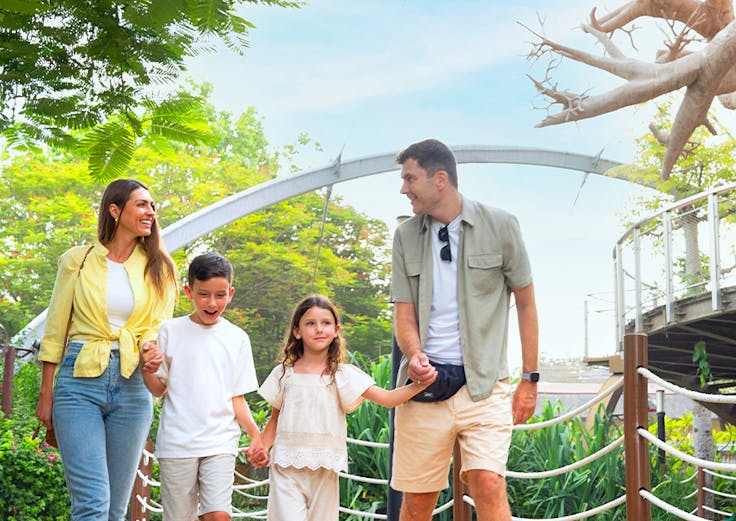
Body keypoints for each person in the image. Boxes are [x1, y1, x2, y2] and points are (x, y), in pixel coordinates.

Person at [389, 139, 539, 521]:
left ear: (440, 179)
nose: (404, 189)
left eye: (410, 178)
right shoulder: (405, 236)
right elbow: (404, 314)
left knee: (488, 483)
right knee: (418, 503)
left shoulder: (501, 225)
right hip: (423, 386)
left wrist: (530, 379)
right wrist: (415, 355)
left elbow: (526, 303)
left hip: (484, 384)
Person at [36, 179, 177, 521]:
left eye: (152, 206)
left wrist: (151, 350)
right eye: (141, 204)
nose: (150, 212)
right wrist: (46, 394)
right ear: (115, 210)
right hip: (79, 383)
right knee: (93, 503)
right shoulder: (77, 260)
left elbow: (158, 328)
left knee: (115, 508)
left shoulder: (160, 267)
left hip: (133, 385)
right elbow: (56, 328)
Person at [257, 294, 436, 521]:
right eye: (310, 323)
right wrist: (260, 446)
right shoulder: (284, 373)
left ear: (336, 330)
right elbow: (275, 419)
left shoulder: (343, 374)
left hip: (326, 468)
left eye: (326, 323)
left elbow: (388, 399)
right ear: (297, 331)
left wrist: (421, 385)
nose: (319, 329)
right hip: (286, 467)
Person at [141, 252, 267, 521]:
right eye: (203, 294)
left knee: (218, 515)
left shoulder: (237, 338)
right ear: (189, 292)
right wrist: (147, 368)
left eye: (220, 295)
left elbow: (237, 398)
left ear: (230, 293)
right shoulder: (170, 330)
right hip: (177, 443)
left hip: (220, 442)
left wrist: (256, 435)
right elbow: (158, 389)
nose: (212, 303)